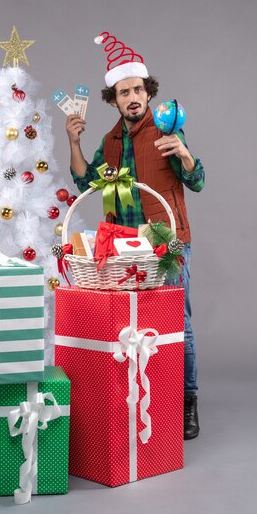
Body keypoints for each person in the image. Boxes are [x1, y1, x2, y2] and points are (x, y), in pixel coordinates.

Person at [65, 36, 205, 440]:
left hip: (167, 244)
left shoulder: (165, 132)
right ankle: (141, 400)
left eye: (138, 89)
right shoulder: (109, 142)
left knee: (179, 322)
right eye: (123, 92)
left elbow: (198, 181)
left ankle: (186, 402)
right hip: (124, 246)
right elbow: (85, 183)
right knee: (131, 325)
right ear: (113, 99)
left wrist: (184, 154)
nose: (132, 97)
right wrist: (73, 142)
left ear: (148, 92)